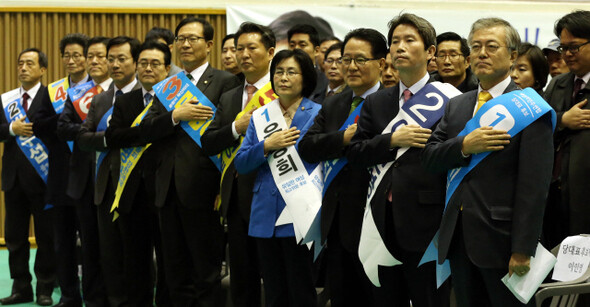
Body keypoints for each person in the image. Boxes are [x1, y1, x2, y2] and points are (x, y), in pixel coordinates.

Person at [422, 17, 553, 307]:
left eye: (492, 46)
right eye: (476, 47)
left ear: (513, 55)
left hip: (503, 242)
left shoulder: (530, 108)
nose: (482, 53)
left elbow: (534, 186)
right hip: (457, 238)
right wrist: (465, 145)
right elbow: (429, 158)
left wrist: (523, 248)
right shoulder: (458, 104)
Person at [346, 15, 450, 307]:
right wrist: (392, 140)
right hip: (380, 219)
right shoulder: (376, 101)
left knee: (428, 298)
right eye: (395, 42)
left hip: (428, 221)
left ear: (430, 52)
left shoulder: (452, 100)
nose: (399, 47)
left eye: (409, 40)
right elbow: (355, 153)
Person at [139, 17, 240, 306]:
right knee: (174, 271)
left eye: (192, 38)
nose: (184, 44)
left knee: (205, 271)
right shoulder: (169, 84)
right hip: (166, 188)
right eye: (180, 38)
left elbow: (226, 134)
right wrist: (175, 116)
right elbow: (147, 128)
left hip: (205, 188)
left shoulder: (225, 81)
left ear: (209, 44)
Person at [299, 27, 389, 307]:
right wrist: (342, 138)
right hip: (337, 219)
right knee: (342, 296)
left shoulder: (394, 102)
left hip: (378, 219)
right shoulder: (335, 101)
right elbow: (308, 147)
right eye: (344, 59)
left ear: (381, 63)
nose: (350, 66)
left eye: (360, 59)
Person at [234, 49, 320, 307]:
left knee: (301, 290)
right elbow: (241, 162)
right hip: (265, 216)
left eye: (291, 72)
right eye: (279, 72)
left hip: (300, 214)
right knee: (273, 292)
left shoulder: (318, 113)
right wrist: (266, 145)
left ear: (306, 78)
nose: (283, 77)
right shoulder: (261, 116)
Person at [201, 21, 275, 307]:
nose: (243, 54)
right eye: (238, 48)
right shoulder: (230, 94)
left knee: (276, 276)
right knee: (242, 279)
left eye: (250, 48)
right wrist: (236, 126)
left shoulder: (283, 89)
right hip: (236, 199)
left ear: (270, 52)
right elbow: (208, 141)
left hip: (275, 195)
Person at [77, 36, 143, 306]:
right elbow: (83, 138)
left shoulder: (148, 96)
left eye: (121, 59)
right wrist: (111, 138)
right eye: (110, 59)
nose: (115, 64)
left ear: (135, 62)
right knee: (110, 254)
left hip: (140, 186)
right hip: (105, 187)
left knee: (138, 255)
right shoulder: (101, 100)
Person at [35, 33, 92, 307]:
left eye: (77, 55)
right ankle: (69, 295)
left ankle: (94, 295)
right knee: (63, 243)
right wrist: (65, 122)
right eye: (66, 56)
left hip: (89, 177)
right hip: (60, 176)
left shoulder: (99, 91)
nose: (71, 60)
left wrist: (66, 125)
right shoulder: (52, 91)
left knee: (93, 243)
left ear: (87, 57)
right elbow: (39, 126)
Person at [57, 36, 111, 307]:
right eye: (90, 57)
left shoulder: (123, 91)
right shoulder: (78, 94)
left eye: (101, 56)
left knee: (114, 246)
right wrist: (91, 134)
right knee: (89, 246)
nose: (95, 61)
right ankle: (93, 299)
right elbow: (62, 126)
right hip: (84, 179)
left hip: (115, 179)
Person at [0, 48, 55, 306]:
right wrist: (11, 128)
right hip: (13, 180)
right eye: (20, 63)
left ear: (42, 69)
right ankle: (20, 287)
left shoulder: (52, 97)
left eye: (29, 63)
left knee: (46, 237)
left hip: (44, 178)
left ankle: (45, 288)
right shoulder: (6, 100)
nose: (23, 67)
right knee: (14, 237)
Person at [544, 10, 590, 249]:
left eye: (574, 47)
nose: (567, 55)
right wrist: (563, 119)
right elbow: (538, 127)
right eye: (563, 48)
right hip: (554, 195)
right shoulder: (557, 84)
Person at [288, 24, 330, 104]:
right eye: (292, 45)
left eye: (302, 45)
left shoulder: (327, 82)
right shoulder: (280, 79)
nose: (296, 48)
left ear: (316, 50)